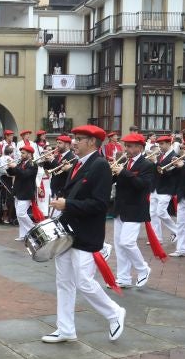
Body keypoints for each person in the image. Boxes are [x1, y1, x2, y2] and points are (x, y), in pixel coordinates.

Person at [47, 125, 126, 343]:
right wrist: (62, 202)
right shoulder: (78, 163)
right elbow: (76, 193)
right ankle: (65, 329)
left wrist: (68, 204)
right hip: (68, 233)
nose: (74, 142)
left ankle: (114, 312)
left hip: (86, 234)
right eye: (74, 138)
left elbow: (100, 204)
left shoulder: (100, 165)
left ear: (92, 142)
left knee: (83, 282)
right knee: (64, 282)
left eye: (78, 139)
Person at [112, 133, 155, 288]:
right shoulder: (124, 162)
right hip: (120, 208)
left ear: (140, 147)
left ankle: (143, 269)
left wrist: (123, 172)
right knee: (119, 245)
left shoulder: (147, 165)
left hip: (135, 209)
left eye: (130, 146)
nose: (126, 149)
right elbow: (116, 181)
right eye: (126, 146)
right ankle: (123, 278)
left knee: (127, 242)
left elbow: (143, 185)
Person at [149, 135, 179, 243]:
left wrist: (155, 162)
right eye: (159, 144)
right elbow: (155, 171)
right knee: (152, 213)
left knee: (160, 212)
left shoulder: (174, 156)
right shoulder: (160, 155)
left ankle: (177, 231)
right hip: (155, 187)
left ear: (169, 144)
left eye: (162, 144)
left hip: (166, 188)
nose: (160, 147)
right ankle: (157, 237)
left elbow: (167, 172)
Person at [7, 143, 38, 241]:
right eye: (21, 153)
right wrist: (10, 167)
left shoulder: (33, 164)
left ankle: (33, 230)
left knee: (21, 214)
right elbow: (12, 173)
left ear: (30, 154)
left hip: (26, 192)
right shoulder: (21, 163)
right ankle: (23, 235)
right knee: (19, 215)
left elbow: (25, 174)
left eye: (23, 153)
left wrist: (15, 167)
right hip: (18, 191)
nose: (21, 155)